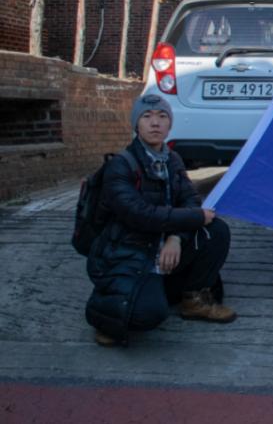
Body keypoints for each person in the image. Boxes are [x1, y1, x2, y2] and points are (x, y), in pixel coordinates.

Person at [86, 94, 236, 346]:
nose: (155, 123)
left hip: (164, 245)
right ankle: (110, 313)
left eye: (162, 116)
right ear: (136, 124)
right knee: (148, 315)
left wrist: (175, 238)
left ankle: (193, 300)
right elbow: (139, 214)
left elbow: (190, 200)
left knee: (216, 230)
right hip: (129, 252)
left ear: (169, 124)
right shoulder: (121, 165)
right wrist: (193, 218)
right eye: (147, 116)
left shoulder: (172, 159)